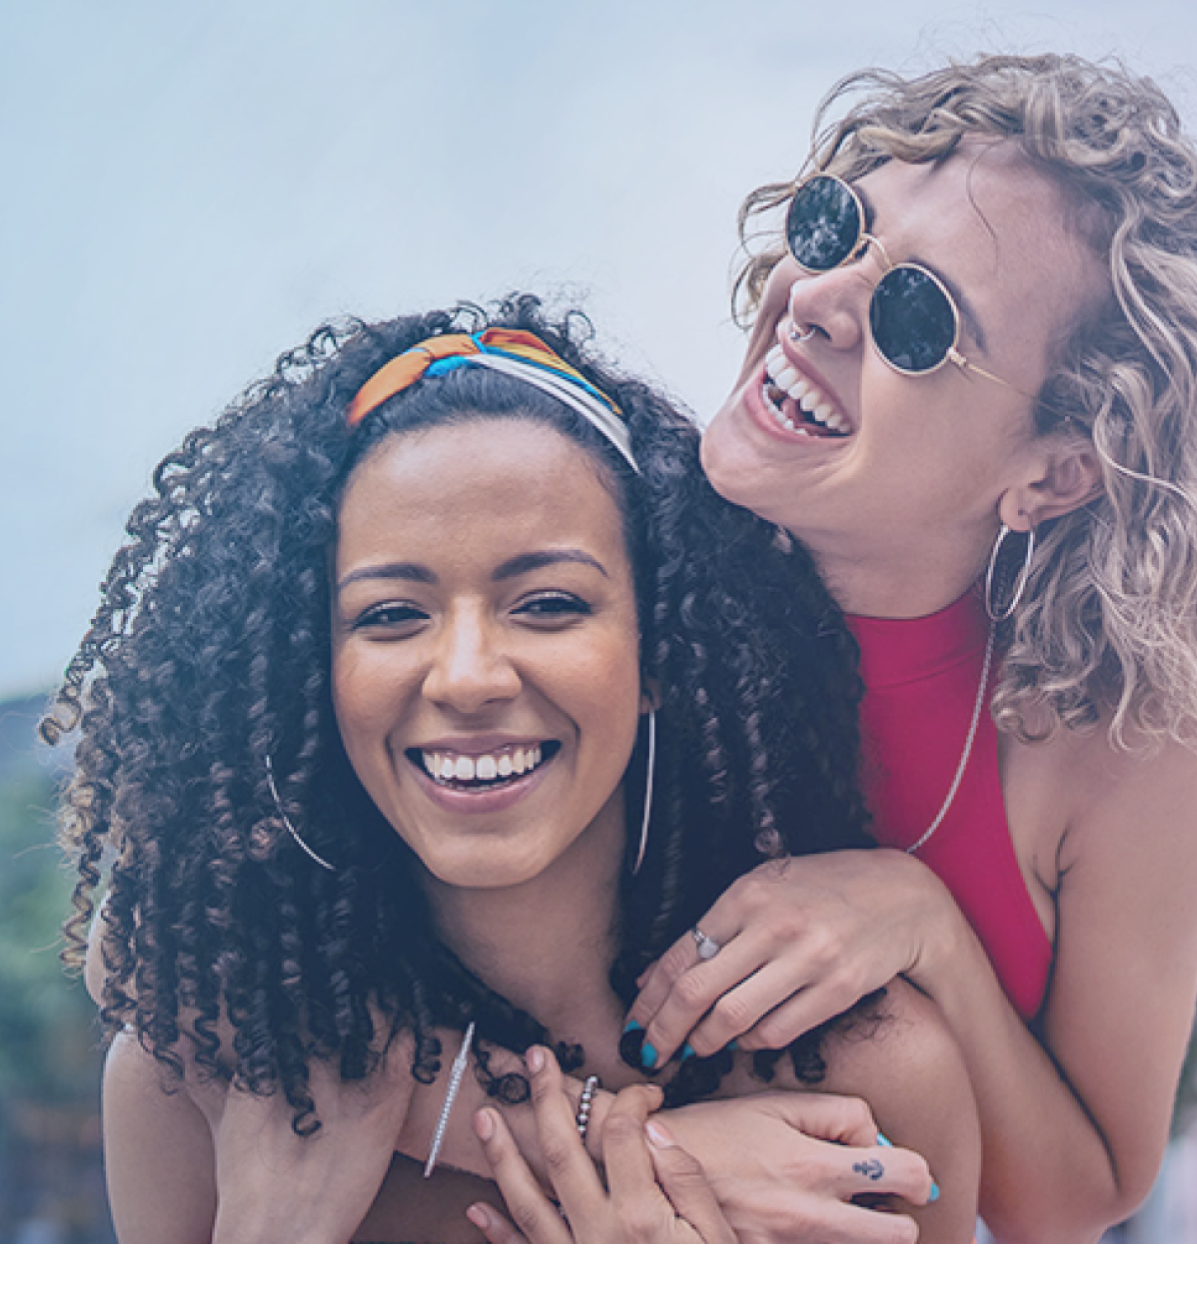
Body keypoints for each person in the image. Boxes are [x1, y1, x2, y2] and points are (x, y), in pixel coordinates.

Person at [626, 52, 1197, 1242]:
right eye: (835, 223)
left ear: (1050, 471)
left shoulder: (1137, 739)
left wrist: (926, 924)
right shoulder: (584, 577)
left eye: (916, 316)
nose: (819, 297)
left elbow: (1074, 1194)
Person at [48, 297, 979, 1243]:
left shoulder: (872, 1075)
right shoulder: (201, 1084)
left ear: (660, 653)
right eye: (389, 615)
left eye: (546, 603)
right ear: (310, 677)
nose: (467, 678)